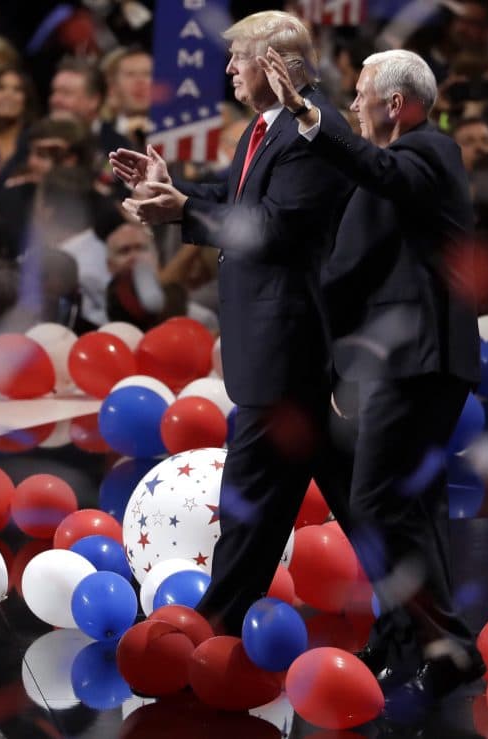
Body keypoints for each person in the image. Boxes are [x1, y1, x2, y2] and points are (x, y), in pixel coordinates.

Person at [110, 11, 351, 637]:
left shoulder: (311, 132)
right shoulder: (263, 129)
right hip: (276, 351)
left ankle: (210, 634)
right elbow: (239, 202)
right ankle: (430, 627)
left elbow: (273, 229)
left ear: (278, 66)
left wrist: (181, 210)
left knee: (251, 507)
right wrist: (175, 188)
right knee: (362, 508)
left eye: (238, 58)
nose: (228, 70)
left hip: (289, 350)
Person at [258, 46, 485, 708]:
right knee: (402, 504)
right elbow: (349, 266)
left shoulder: (429, 151)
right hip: (393, 360)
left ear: (396, 102)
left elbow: (382, 171)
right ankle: (405, 639)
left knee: (380, 499)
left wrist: (306, 113)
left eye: (359, 94)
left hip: (421, 358)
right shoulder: (380, 172)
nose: (350, 105)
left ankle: (451, 646)